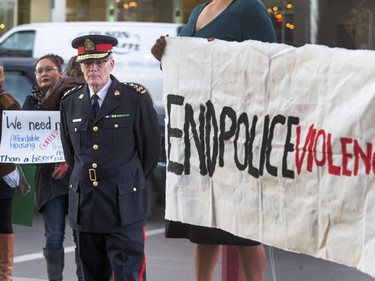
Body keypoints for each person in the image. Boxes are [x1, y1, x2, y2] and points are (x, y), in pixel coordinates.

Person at [151, 0, 277, 281]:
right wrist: (164, 57)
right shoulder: (199, 11)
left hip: (237, 135)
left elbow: (272, 63)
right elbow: (182, 68)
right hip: (201, 138)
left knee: (245, 229)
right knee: (203, 226)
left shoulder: (248, 7)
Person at [59, 34, 160, 281]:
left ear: (111, 64)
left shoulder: (134, 98)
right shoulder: (70, 103)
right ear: (80, 66)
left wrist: (125, 179)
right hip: (86, 204)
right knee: (92, 274)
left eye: (100, 62)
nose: (93, 68)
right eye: (87, 63)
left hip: (122, 203)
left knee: (128, 274)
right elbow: (71, 154)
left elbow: (150, 152)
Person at [21, 54, 74, 281]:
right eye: (39, 71)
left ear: (60, 73)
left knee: (84, 236)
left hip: (76, 177)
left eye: (48, 69)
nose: (43, 74)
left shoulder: (74, 97)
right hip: (49, 180)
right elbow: (23, 142)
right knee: (54, 236)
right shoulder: (31, 102)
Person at [0, 63, 21, 281]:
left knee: (3, 221)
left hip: (2, 171)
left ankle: (4, 275)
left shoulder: (6, 100)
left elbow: (19, 128)